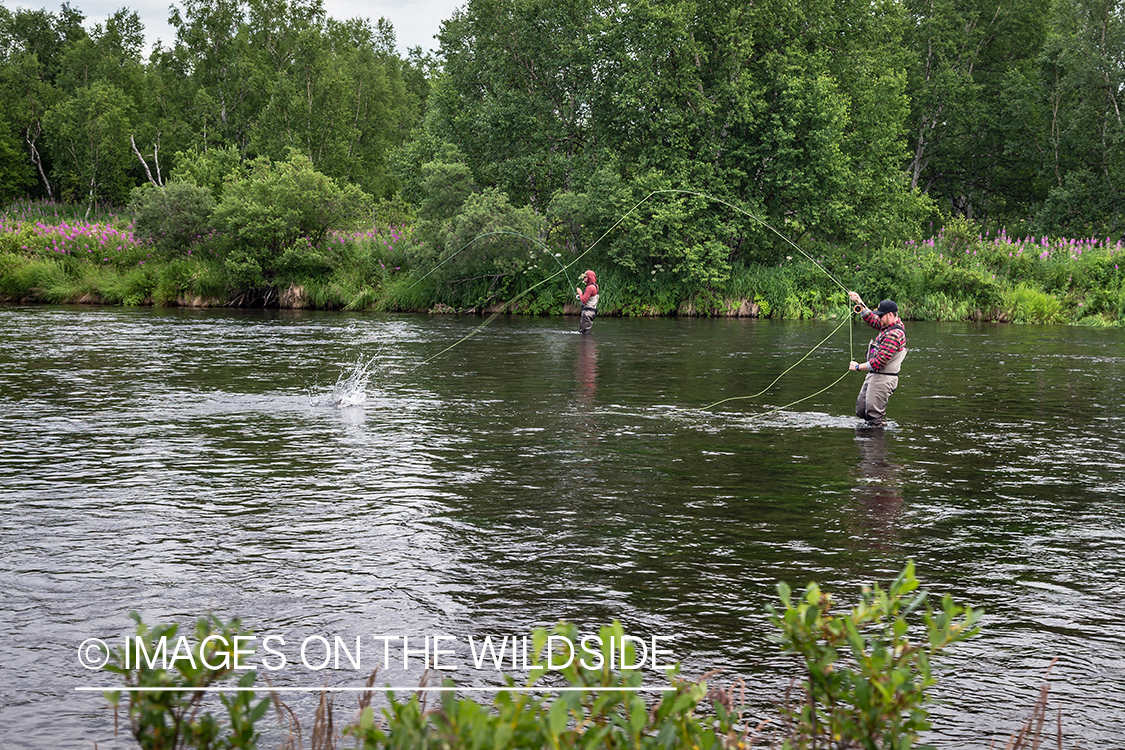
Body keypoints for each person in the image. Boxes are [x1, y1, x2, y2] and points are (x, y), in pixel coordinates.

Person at [847, 292, 907, 428]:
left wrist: (857, 367)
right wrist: (859, 302)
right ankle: (866, 444)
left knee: (875, 418)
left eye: (881, 315)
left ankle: (876, 447)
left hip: (884, 379)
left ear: (890, 315)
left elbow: (879, 362)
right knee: (861, 410)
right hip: (874, 375)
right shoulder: (888, 324)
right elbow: (871, 319)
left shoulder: (894, 334)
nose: (878, 317)